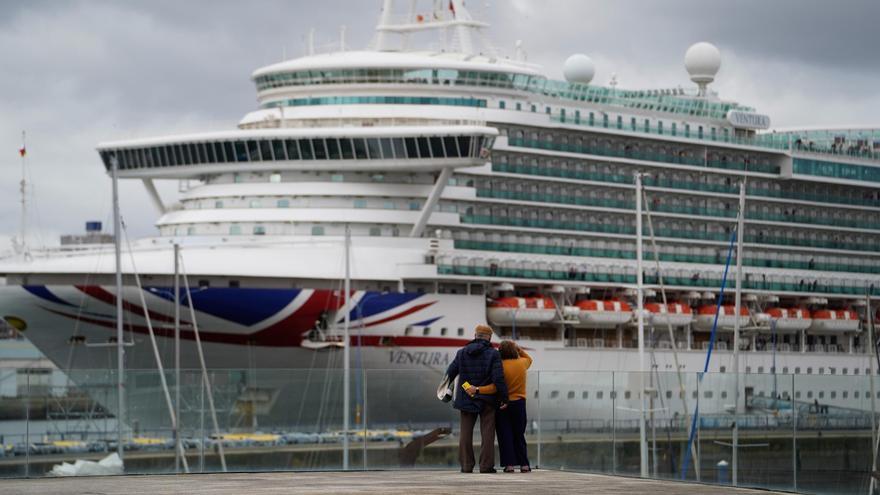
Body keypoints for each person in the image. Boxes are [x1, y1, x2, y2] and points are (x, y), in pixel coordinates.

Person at [445, 324, 508, 473]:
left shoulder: (461, 353)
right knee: (487, 433)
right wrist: (504, 397)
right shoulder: (494, 354)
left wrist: (445, 388)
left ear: (475, 336)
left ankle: (466, 466)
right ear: (489, 337)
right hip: (487, 399)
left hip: (465, 397)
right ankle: (486, 466)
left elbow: (450, 372)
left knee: (465, 433)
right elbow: (498, 379)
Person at [478, 340, 533, 473]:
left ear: (500, 352)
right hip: (519, 403)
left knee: (505, 435)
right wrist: (518, 348)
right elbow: (529, 359)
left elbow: (494, 388)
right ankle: (524, 464)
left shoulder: (499, 366)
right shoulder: (522, 364)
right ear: (514, 351)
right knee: (519, 434)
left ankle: (509, 465)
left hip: (503, 404)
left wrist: (478, 390)